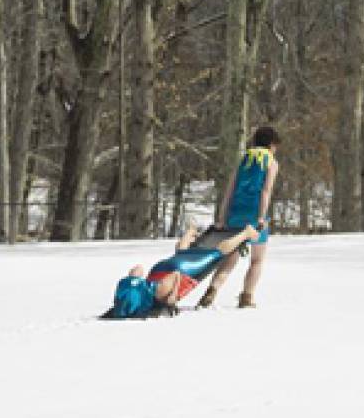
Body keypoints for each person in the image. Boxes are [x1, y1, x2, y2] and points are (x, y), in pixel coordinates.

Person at [198, 126, 281, 309]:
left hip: (235, 212)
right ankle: (247, 297)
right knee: (257, 259)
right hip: (254, 213)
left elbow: (230, 190)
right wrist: (261, 217)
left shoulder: (245, 159)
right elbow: (265, 191)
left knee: (230, 259)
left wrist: (222, 216)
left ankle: (212, 290)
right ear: (271, 144)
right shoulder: (271, 162)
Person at [103, 223, 261, 319]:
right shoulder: (129, 287)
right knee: (181, 253)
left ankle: (247, 233)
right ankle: (190, 232)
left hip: (182, 272)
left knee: (216, 254)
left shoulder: (159, 293)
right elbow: (137, 269)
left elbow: (176, 275)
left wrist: (173, 297)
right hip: (159, 269)